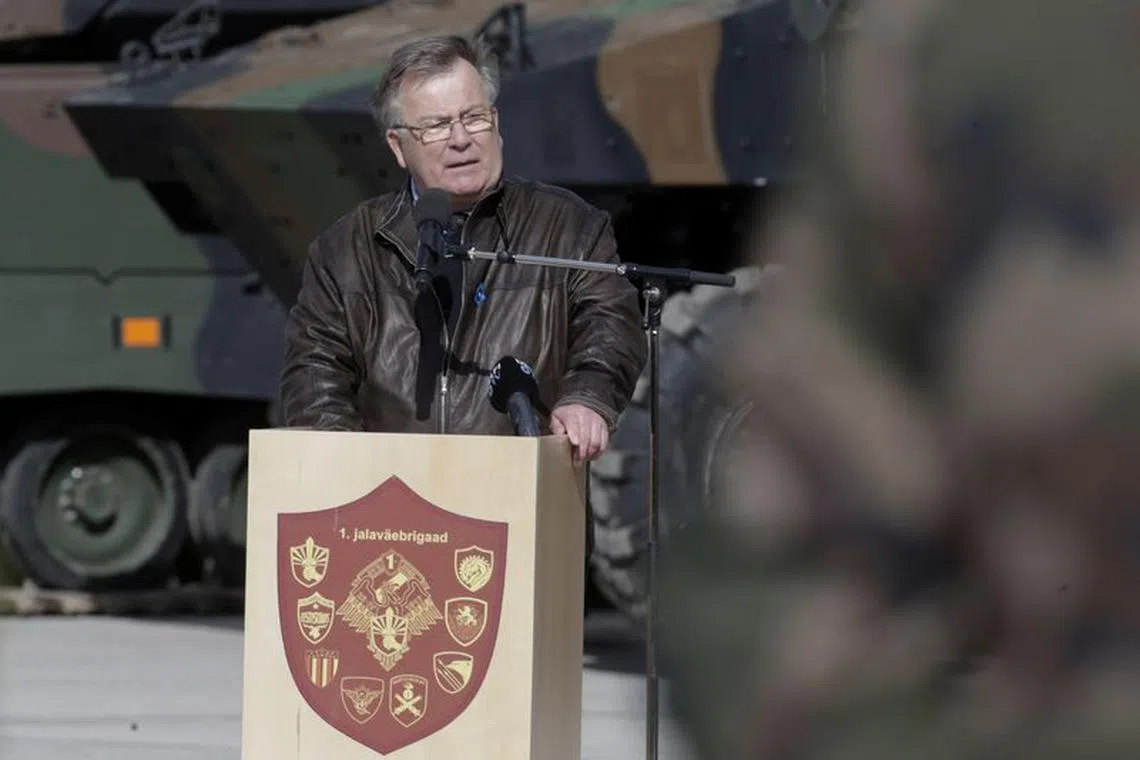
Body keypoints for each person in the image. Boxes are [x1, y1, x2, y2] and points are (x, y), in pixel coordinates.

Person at [278, 34, 647, 466]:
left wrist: (588, 396)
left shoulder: (569, 227)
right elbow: (315, 378)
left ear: (496, 122)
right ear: (398, 146)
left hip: (522, 488)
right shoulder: (346, 249)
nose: (460, 139)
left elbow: (611, 325)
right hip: (391, 495)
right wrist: (349, 472)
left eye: (473, 118)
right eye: (435, 126)